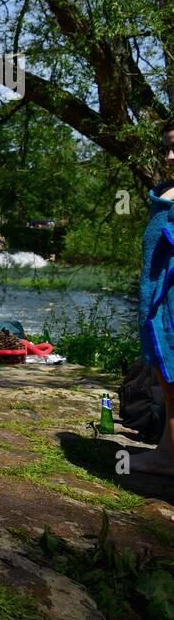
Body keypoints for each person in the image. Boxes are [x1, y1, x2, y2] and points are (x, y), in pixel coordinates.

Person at [134, 121, 174, 477]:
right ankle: (167, 452)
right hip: (162, 302)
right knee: (169, 381)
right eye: (165, 148)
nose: (170, 155)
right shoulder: (167, 190)